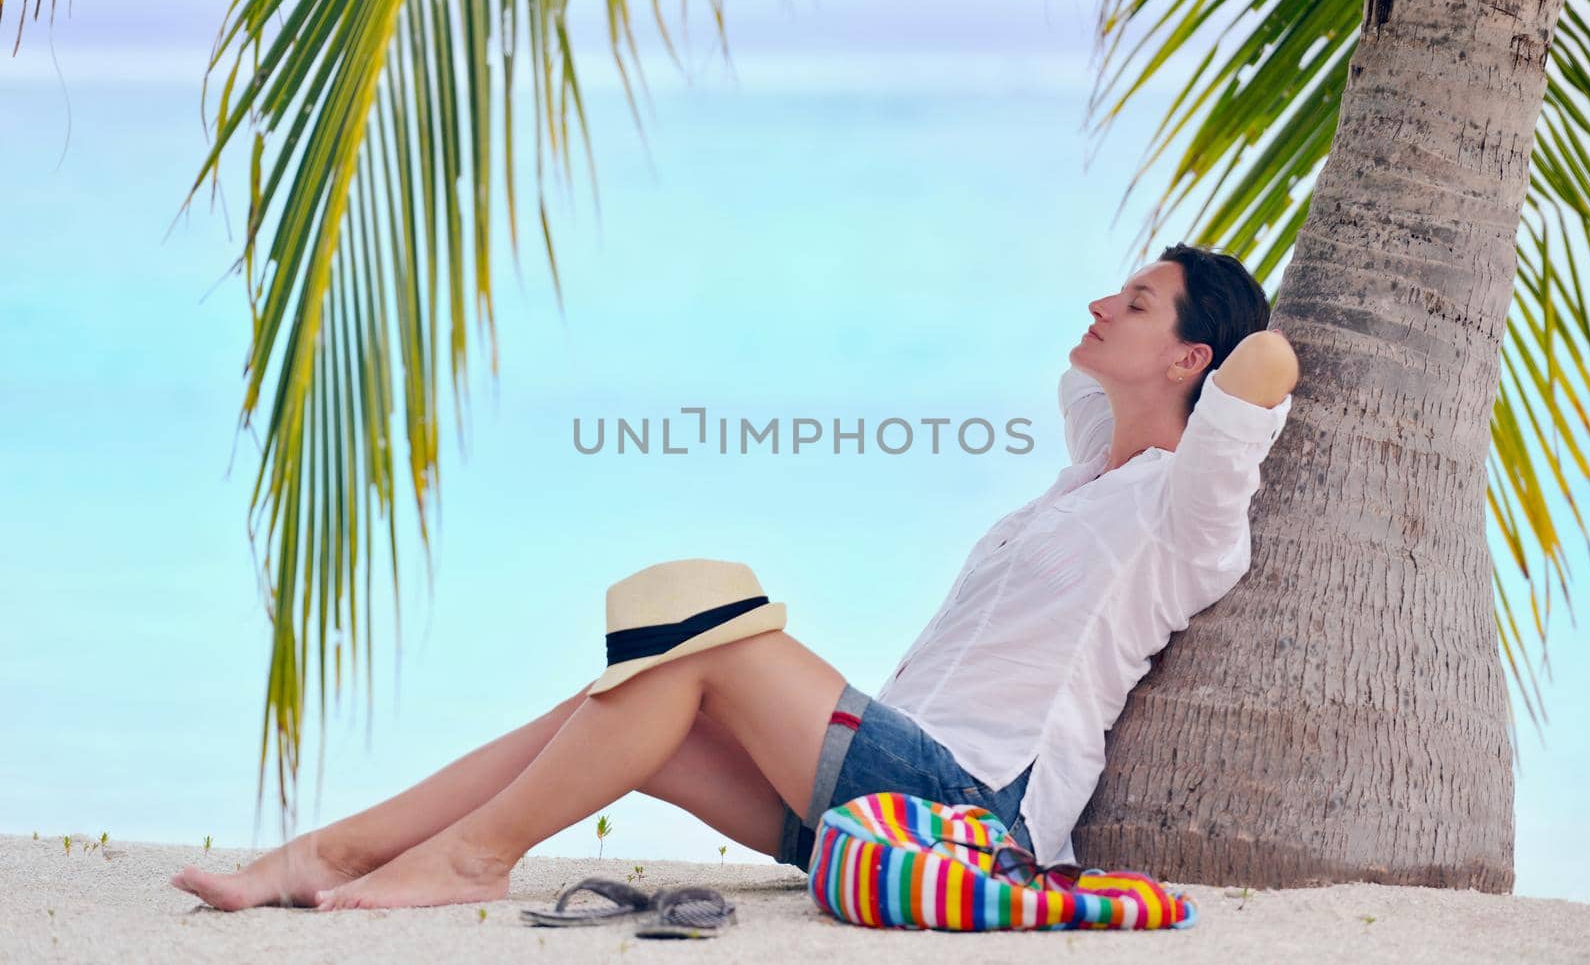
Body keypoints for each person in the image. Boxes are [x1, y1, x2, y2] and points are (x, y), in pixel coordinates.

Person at [170, 243, 1299, 911]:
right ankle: (336, 851)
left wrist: (1221, 319)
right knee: (627, 696)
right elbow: (1099, 395)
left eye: (1136, 304)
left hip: (971, 809)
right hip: (865, 816)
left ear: (1191, 359)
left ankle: (471, 856)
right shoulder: (1074, 484)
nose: (1101, 304)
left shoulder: (1185, 516)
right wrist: (1154, 327)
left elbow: (1265, 368)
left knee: (719, 635)